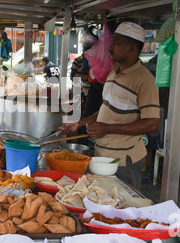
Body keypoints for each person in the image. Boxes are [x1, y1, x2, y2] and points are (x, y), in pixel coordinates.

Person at [59, 22, 160, 189]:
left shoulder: (144, 79)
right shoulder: (114, 72)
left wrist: (108, 128)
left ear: (132, 48)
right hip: (102, 156)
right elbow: (106, 108)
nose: (110, 46)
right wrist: (80, 123)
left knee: (123, 207)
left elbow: (152, 123)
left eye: (116, 43)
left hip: (123, 160)